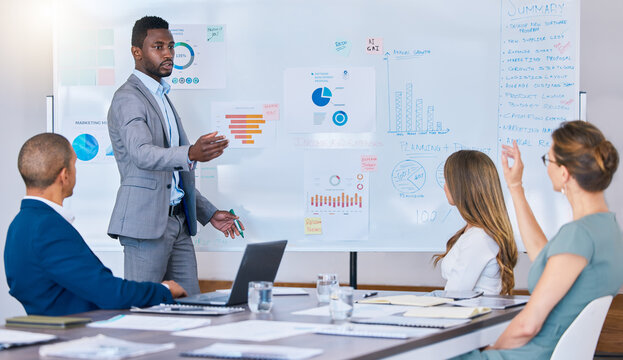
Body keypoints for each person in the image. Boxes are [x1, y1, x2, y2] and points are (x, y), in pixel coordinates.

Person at [454, 120, 623, 359]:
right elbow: (543, 255)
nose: (547, 168)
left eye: (549, 160)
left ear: (564, 173)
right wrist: (515, 186)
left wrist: (488, 352)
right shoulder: (607, 230)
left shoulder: (579, 235)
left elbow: (527, 327)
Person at [107, 16, 244, 295]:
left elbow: (174, 178)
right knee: (143, 310)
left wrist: (208, 213)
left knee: (191, 306)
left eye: (171, 46)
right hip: (146, 228)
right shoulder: (128, 97)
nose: (168, 53)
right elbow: (142, 154)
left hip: (179, 223)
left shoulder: (162, 96)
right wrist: (192, 152)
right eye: (158, 46)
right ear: (137, 52)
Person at [5, 133, 188, 316]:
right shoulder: (48, 228)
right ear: (64, 175)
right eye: (74, 165)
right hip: (77, 333)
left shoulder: (19, 225)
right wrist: (164, 290)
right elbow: (109, 293)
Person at [433, 150, 518, 295]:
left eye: (448, 180)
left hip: (469, 314)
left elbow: (454, 293)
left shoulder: (479, 238)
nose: (444, 187)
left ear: (461, 186)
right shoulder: (474, 232)